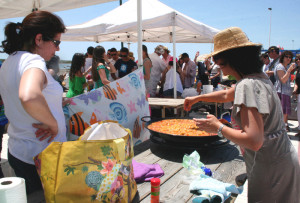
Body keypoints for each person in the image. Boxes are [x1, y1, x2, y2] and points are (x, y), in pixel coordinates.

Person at [184, 27, 300, 202]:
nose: (221, 70)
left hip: (270, 167)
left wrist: (219, 127)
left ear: (237, 60)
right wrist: (197, 98)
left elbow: (254, 140)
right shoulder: (258, 77)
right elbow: (226, 95)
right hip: (283, 158)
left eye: (222, 64)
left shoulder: (247, 85)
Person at [0, 11, 67, 194]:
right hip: (41, 158)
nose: (57, 49)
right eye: (56, 42)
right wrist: (53, 125)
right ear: (39, 39)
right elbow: (29, 96)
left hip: (19, 152)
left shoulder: (9, 62)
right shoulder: (33, 60)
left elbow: (14, 98)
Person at [274, 51, 296, 131]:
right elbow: (283, 80)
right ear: (282, 57)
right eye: (287, 57)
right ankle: (281, 129)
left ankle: (283, 127)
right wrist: (289, 70)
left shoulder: (285, 67)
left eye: (290, 57)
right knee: (283, 111)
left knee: (285, 111)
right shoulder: (280, 67)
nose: (289, 59)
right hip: (281, 91)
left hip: (285, 92)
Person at [293, 54, 300, 136]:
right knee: (299, 113)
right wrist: (295, 90)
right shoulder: (297, 70)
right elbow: (296, 82)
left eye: (299, 59)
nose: (298, 60)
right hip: (299, 94)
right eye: (296, 59)